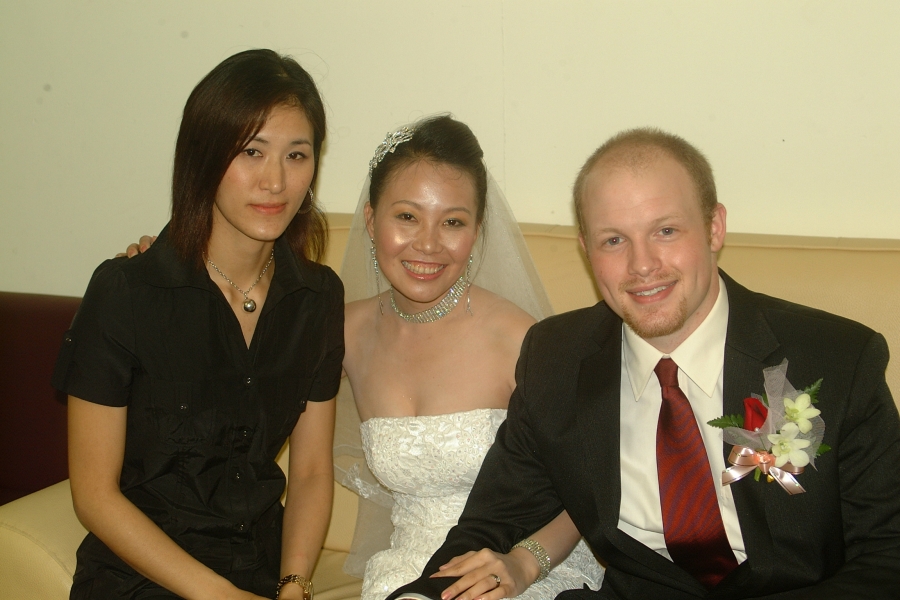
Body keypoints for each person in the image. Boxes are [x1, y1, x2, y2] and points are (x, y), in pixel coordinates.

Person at [388, 128, 900, 599]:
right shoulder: (557, 358)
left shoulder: (836, 358)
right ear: (586, 249)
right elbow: (493, 524)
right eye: (614, 240)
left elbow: (887, 555)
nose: (642, 266)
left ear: (714, 228)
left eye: (666, 231)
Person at [53, 49, 344, 600]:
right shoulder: (126, 293)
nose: (275, 181)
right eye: (251, 151)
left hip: (262, 572)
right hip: (140, 579)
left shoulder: (317, 298)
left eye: (296, 155)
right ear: (204, 156)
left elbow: (310, 472)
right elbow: (93, 495)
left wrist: (294, 584)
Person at [334, 115, 605, 600]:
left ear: (477, 231)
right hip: (406, 569)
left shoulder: (521, 339)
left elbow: (591, 485)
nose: (428, 244)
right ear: (372, 221)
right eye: (407, 217)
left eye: (453, 222)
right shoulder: (343, 332)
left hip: (519, 568)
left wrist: (526, 563)